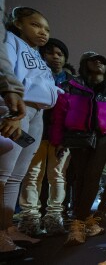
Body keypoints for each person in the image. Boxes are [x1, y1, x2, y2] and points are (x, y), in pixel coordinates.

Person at [49, 51, 106, 246]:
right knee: (81, 177)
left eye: (102, 63)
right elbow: (59, 115)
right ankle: (85, 219)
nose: (98, 65)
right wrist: (58, 140)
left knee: (93, 176)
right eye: (93, 61)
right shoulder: (72, 87)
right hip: (78, 137)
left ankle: (77, 223)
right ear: (83, 65)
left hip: (103, 138)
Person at [0, 6, 62, 259]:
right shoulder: (9, 41)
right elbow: (7, 74)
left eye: (46, 29)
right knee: (2, 174)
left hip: (38, 114)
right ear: (17, 23)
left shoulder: (38, 56)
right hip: (18, 109)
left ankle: (9, 228)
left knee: (17, 176)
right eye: (35, 25)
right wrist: (10, 111)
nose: (43, 32)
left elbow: (46, 85)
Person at [17, 38, 73, 237]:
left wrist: (66, 138)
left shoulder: (71, 83)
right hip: (36, 133)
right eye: (51, 53)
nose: (56, 57)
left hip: (61, 138)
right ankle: (30, 217)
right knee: (32, 175)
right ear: (42, 55)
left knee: (57, 176)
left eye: (60, 54)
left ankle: (54, 216)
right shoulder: (33, 75)